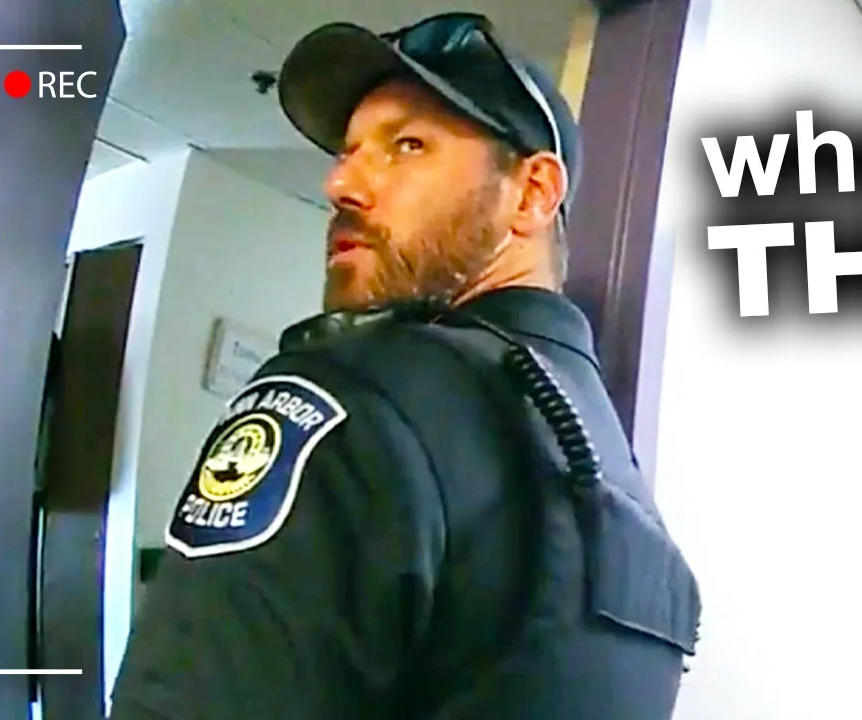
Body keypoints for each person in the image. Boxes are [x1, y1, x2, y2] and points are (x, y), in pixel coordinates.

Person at [108, 11, 700, 720]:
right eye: (348, 152)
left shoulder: (351, 396)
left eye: (408, 145)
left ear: (533, 194)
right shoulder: (626, 494)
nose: (341, 184)